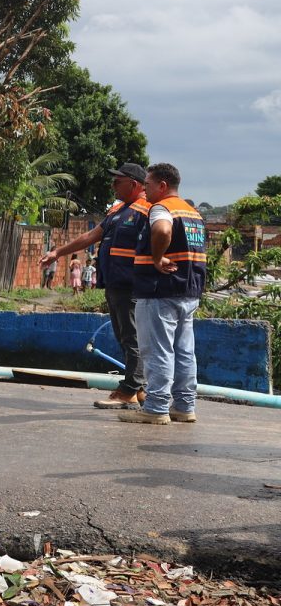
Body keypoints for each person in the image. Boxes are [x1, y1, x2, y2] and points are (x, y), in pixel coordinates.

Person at [41, 163, 149, 409]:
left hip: (132, 283)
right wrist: (57, 252)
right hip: (114, 283)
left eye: (117, 181)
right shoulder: (118, 210)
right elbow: (89, 236)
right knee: (124, 336)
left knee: (132, 337)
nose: (112, 185)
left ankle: (130, 389)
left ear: (134, 184)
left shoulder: (148, 210)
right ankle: (140, 387)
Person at [123, 162, 206, 425]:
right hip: (188, 290)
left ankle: (156, 408)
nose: (144, 190)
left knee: (157, 350)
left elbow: (162, 230)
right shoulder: (193, 212)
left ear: (162, 185)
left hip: (160, 289)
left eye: (147, 184)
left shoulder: (161, 208)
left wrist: (157, 258)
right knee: (184, 352)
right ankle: (184, 406)